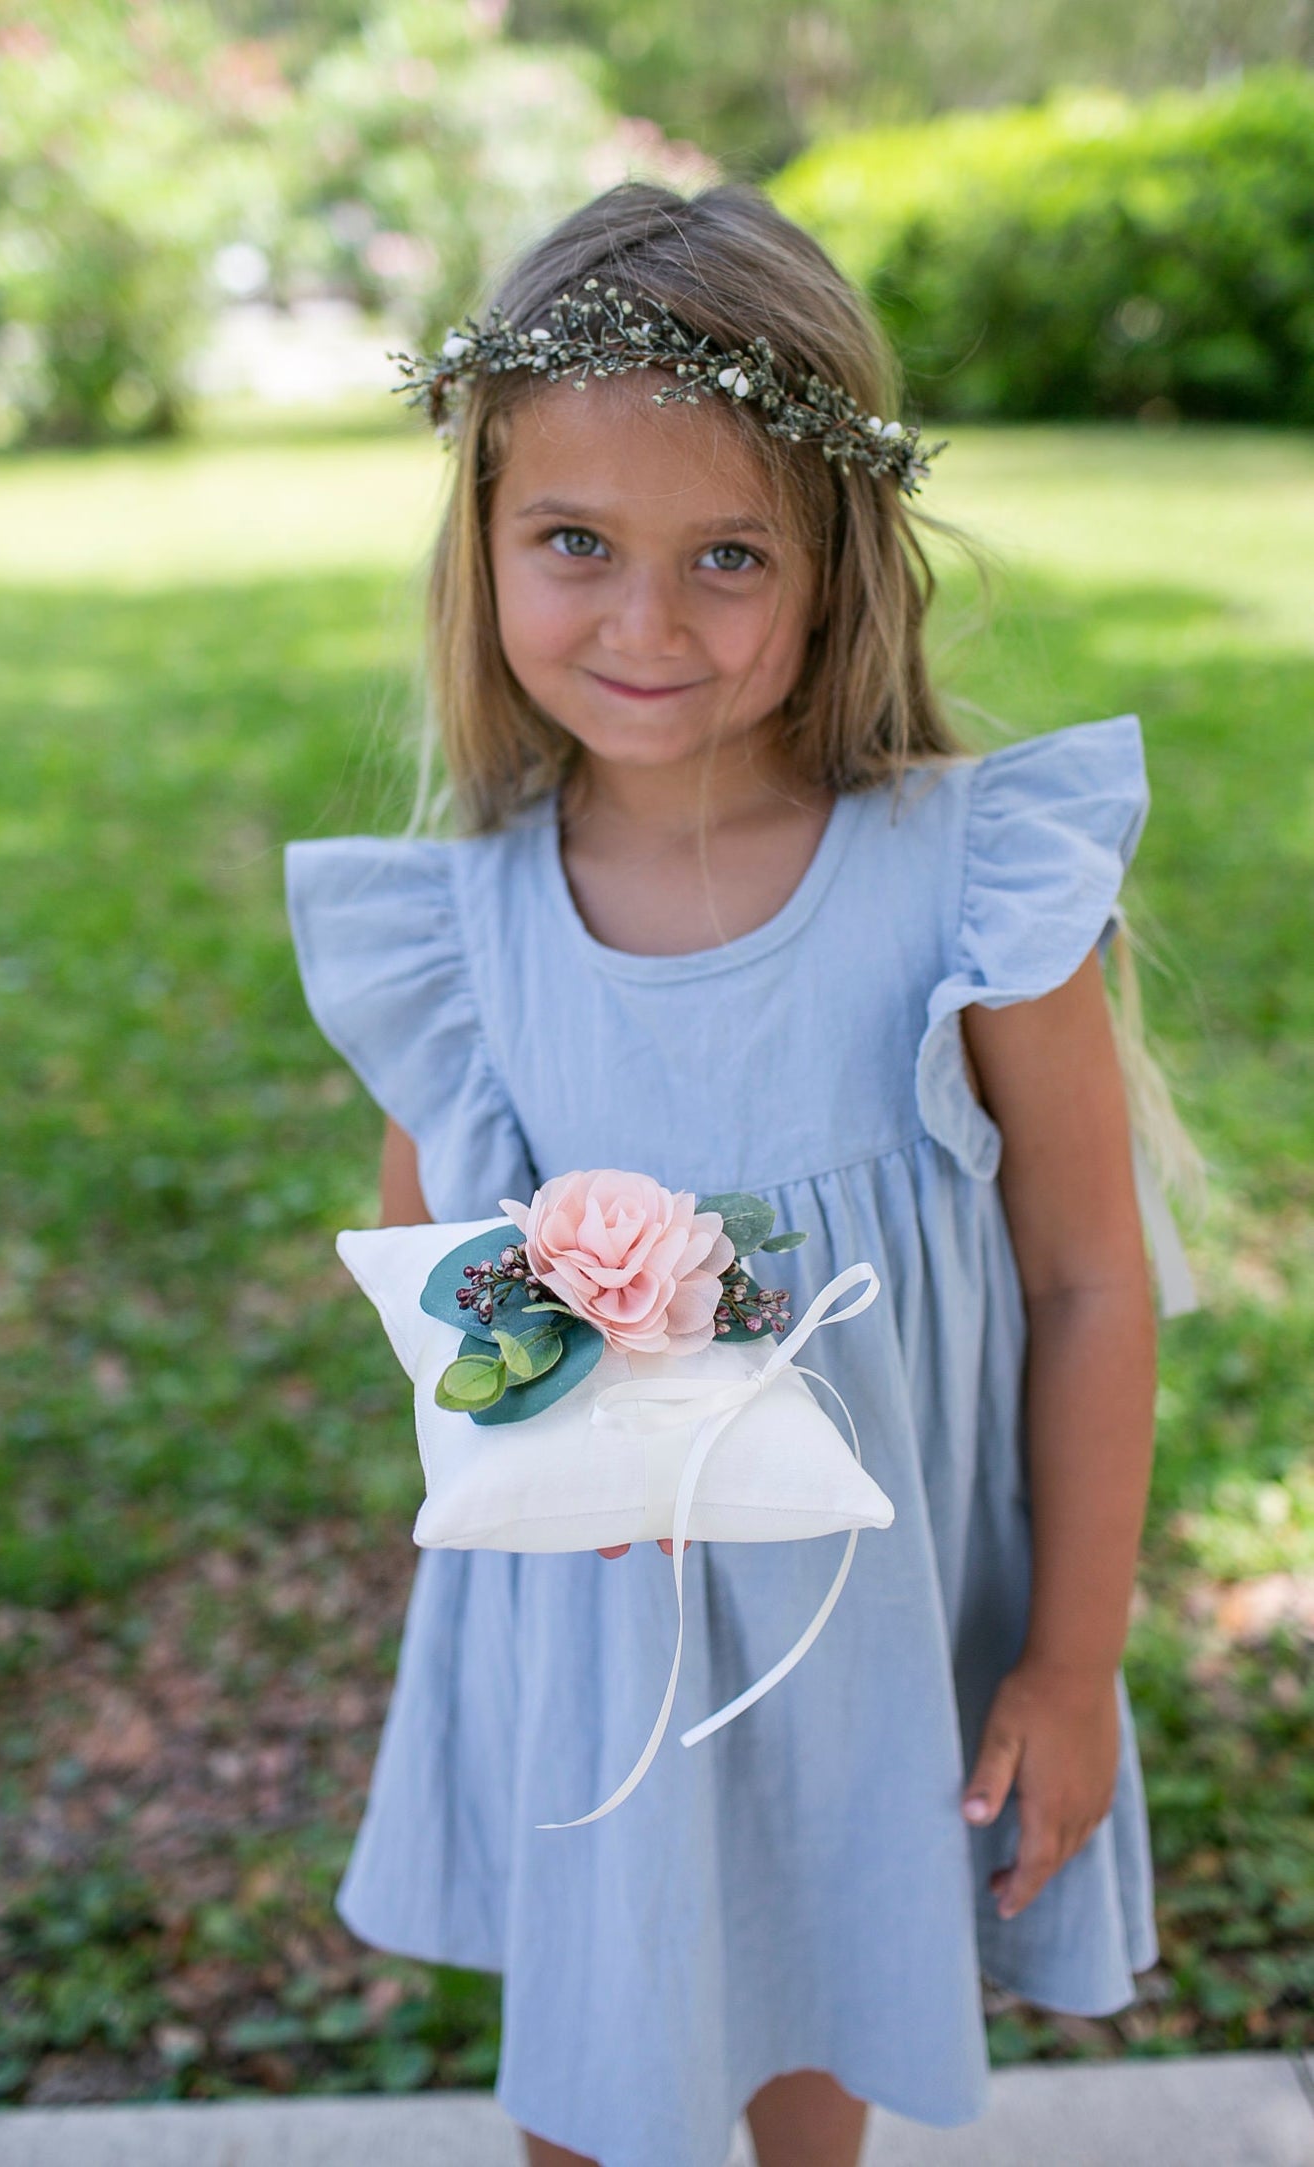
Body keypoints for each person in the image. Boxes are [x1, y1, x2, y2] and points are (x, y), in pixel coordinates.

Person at [284, 181, 1201, 2167]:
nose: (645, 622)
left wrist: (1068, 1653)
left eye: (726, 556)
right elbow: (438, 1281)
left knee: (822, 2027)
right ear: (487, 546)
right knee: (599, 2085)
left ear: (836, 562)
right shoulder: (468, 941)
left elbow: (1086, 1278)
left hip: (879, 1630)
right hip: (611, 1629)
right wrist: (548, 1389)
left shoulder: (969, 887)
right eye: (576, 546)